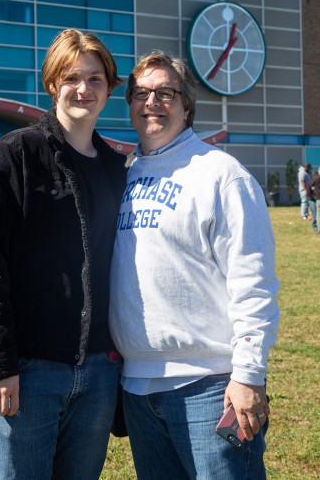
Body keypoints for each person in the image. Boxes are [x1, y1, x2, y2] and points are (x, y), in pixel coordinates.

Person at [0, 28, 126, 479]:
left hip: (98, 373)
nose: (84, 89)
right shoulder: (11, 157)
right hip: (27, 372)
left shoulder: (115, 168)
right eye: (71, 77)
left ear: (109, 87)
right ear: (52, 83)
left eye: (96, 79)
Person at [109, 51, 280, 480]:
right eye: (142, 93)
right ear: (129, 104)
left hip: (212, 389)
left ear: (187, 106)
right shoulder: (122, 177)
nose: (153, 101)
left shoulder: (220, 174)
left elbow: (253, 282)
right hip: (138, 389)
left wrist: (249, 375)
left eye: (166, 92)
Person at [308, 166, 320, 234]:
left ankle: (319, 229)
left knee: (318, 214)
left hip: (318, 198)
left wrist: (311, 196)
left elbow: (309, 185)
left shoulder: (316, 178)